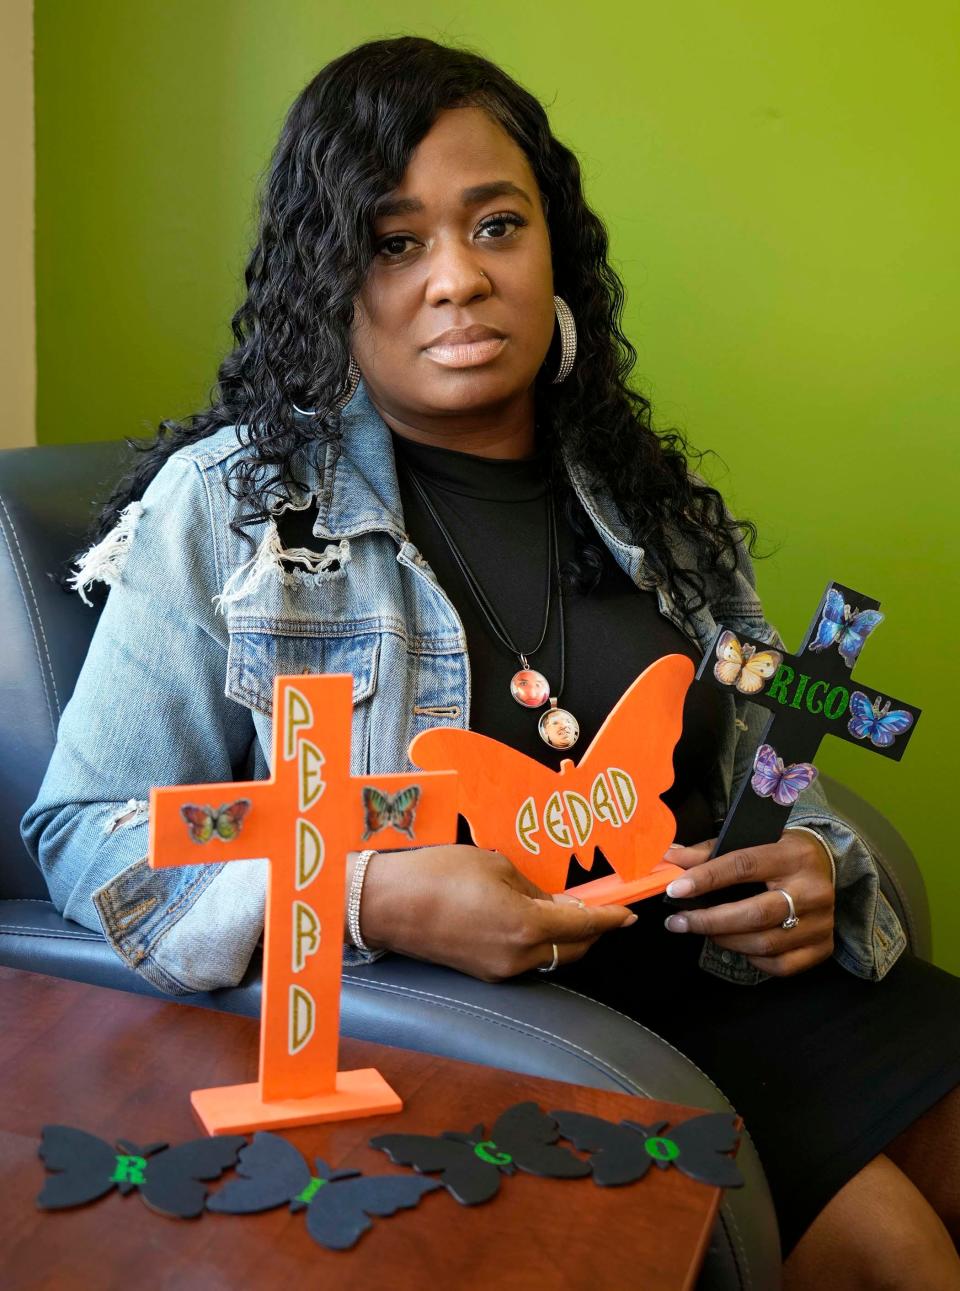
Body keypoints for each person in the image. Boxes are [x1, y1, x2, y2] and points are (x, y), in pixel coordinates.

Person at [20, 35, 960, 1286]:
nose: (457, 279)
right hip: (523, 1029)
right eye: (396, 242)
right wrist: (370, 894)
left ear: (553, 253)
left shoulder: (650, 504)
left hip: (734, 982)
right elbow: (87, 833)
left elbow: (771, 758)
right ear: (330, 279)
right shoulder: (229, 510)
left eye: (497, 226)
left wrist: (807, 874)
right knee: (899, 1254)